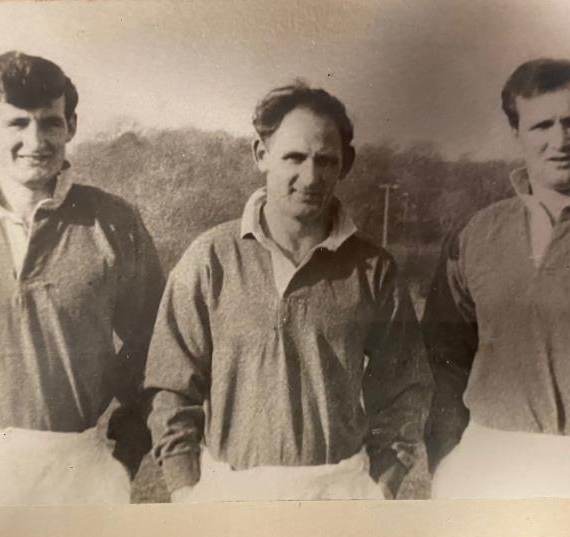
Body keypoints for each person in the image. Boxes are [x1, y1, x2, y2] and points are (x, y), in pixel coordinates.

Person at [145, 82, 425, 502]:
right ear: (261, 154)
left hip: (340, 491)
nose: (311, 177)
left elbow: (407, 387)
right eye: (294, 157)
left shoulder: (373, 268)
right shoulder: (209, 258)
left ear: (344, 165)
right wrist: (186, 491)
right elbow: (171, 388)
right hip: (229, 492)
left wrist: (380, 487)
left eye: (325, 160)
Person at [0, 51, 164, 505]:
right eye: (17, 123)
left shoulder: (114, 222)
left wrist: (124, 456)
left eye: (50, 123)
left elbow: (156, 346)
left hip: (78, 471)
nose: (36, 140)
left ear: (71, 125)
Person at [422, 59, 570, 498]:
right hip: (489, 467)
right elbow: (441, 360)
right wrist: (447, 459)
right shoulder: (475, 232)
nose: (560, 141)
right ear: (517, 133)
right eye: (541, 126)